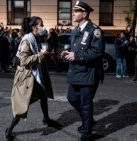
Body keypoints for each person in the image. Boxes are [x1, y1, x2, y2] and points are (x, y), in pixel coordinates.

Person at [5, 16, 62, 141]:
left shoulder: (34, 38)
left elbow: (36, 56)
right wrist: (41, 55)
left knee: (42, 95)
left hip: (32, 74)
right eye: (41, 25)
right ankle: (9, 131)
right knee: (22, 105)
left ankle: (47, 119)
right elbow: (24, 61)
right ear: (34, 27)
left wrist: (46, 54)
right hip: (26, 76)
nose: (43, 27)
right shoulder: (27, 40)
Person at [61, 1, 104, 140]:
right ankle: (88, 120)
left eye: (76, 11)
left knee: (86, 104)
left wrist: (77, 55)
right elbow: (76, 49)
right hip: (76, 71)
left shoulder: (94, 30)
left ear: (84, 14)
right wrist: (68, 53)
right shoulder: (76, 29)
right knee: (72, 98)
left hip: (88, 72)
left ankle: (87, 132)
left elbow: (97, 52)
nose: (73, 13)